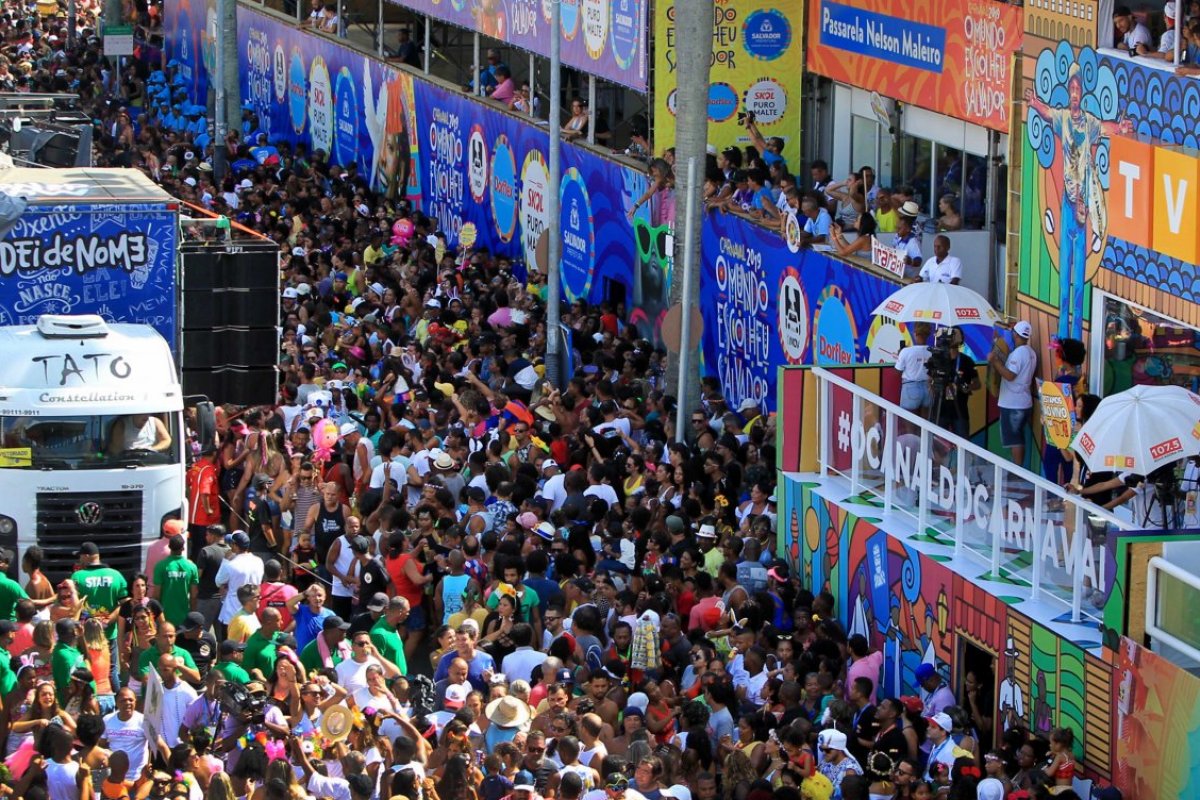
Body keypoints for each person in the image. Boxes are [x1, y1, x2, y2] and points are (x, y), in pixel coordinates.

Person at [988, 321, 1037, 466]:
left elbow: (1010, 375)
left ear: (1015, 334)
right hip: (1022, 401)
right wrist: (998, 340)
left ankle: (1017, 470)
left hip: (1013, 403)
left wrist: (995, 361)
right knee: (1016, 437)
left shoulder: (1019, 353)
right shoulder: (1030, 352)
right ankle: (1017, 467)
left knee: (1015, 439)